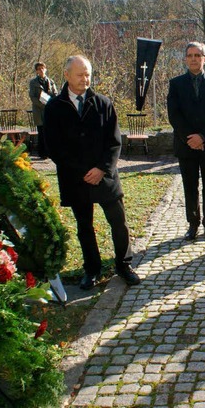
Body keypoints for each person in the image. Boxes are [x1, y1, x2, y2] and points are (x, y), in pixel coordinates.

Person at [44, 55, 140, 290]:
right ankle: (92, 269)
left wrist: (102, 169)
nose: (85, 79)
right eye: (80, 74)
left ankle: (124, 265)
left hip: (105, 177)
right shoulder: (54, 107)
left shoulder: (103, 103)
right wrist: (83, 171)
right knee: (84, 226)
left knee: (119, 222)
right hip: (75, 179)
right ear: (66, 75)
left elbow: (114, 142)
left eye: (88, 74)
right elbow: (53, 147)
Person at [167, 42, 205, 241]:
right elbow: (174, 115)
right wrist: (189, 138)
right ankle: (192, 224)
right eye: (190, 55)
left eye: (198, 55)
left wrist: (202, 137)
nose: (194, 58)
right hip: (186, 145)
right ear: (185, 59)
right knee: (190, 186)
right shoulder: (175, 84)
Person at [28, 62, 58, 159]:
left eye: (43, 68)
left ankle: (50, 152)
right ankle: (42, 153)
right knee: (41, 132)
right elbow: (32, 97)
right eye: (39, 69)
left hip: (50, 110)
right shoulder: (33, 82)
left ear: (46, 69)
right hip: (39, 110)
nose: (41, 70)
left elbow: (55, 94)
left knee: (50, 132)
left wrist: (52, 103)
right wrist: (42, 105)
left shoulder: (51, 81)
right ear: (36, 71)